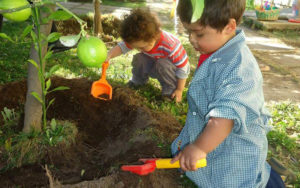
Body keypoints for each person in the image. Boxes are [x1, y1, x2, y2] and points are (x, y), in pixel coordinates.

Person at [170, 0, 285, 187]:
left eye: (199, 33)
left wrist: (199, 148)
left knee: (238, 180)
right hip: (217, 140)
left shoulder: (238, 69)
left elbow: (224, 117)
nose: (191, 39)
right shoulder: (217, 49)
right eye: (188, 31)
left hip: (235, 149)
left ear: (229, 27)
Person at [105, 8, 190, 102]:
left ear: (154, 37)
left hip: (169, 71)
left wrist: (179, 89)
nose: (139, 49)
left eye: (142, 47)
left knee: (163, 64)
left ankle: (170, 91)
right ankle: (138, 82)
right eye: (136, 47)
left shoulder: (170, 45)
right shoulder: (140, 37)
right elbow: (123, 47)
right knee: (139, 58)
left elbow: (183, 68)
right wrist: (109, 55)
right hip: (153, 64)